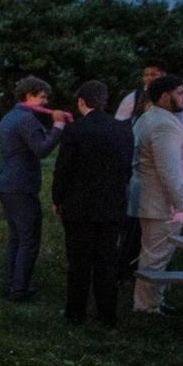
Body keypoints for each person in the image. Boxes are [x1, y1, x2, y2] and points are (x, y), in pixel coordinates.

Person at [51, 81, 134, 327]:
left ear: (81, 102)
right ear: (104, 101)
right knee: (107, 260)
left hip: (80, 206)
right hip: (112, 204)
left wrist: (57, 198)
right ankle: (107, 314)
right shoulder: (123, 129)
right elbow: (127, 167)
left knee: (79, 261)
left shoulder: (75, 130)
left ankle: (75, 311)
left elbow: (63, 169)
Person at [128, 75, 183, 314]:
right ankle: (148, 305)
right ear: (164, 96)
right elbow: (169, 171)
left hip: (152, 198)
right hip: (161, 202)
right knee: (157, 255)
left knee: (154, 252)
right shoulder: (163, 125)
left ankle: (152, 300)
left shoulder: (151, 118)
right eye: (179, 93)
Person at [0, 75, 67, 302]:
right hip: (20, 187)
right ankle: (19, 290)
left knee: (16, 238)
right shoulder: (26, 119)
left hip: (6, 184)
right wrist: (59, 125)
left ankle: (11, 284)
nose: (46, 102)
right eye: (42, 97)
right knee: (29, 239)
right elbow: (42, 149)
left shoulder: (10, 116)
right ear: (29, 96)